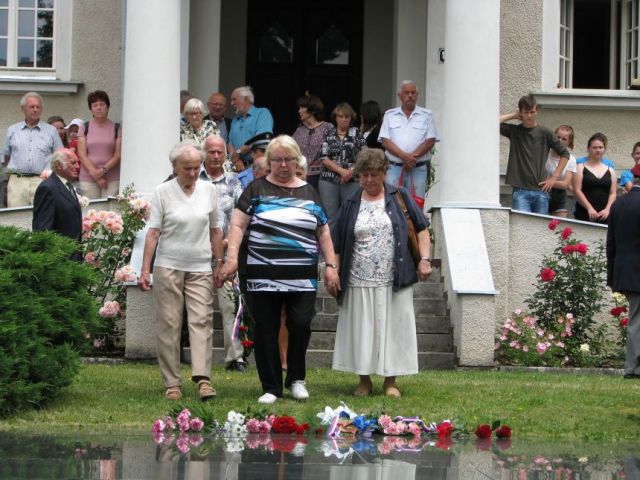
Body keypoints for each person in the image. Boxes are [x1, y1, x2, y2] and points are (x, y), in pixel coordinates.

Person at [219, 135, 339, 405]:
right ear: (268, 161)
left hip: (301, 275)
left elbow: (323, 231)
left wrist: (331, 266)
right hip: (262, 274)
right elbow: (237, 225)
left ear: (297, 161)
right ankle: (271, 387)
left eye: (289, 159)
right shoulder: (256, 189)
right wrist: (233, 258)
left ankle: (296, 379)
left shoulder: (310, 191)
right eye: (278, 159)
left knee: (300, 323)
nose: (283, 165)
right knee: (266, 329)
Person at [331, 148, 431, 398]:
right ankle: (364, 380)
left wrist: (425, 260)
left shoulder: (400, 196)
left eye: (374, 174)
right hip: (357, 278)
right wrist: (332, 270)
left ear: (384, 173)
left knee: (393, 330)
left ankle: (390, 382)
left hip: (394, 277)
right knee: (362, 330)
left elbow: (421, 229)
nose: (369, 180)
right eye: (364, 175)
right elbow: (337, 242)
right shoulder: (351, 202)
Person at [139, 141, 224, 402]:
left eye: (197, 168)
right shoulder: (162, 191)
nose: (192, 173)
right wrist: (145, 269)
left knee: (201, 321)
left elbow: (215, 230)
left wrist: (219, 263)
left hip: (200, 265)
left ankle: (203, 379)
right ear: (174, 167)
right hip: (168, 265)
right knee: (170, 323)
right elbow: (153, 233)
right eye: (187, 168)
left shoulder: (209, 190)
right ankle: (172, 382)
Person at [201, 135, 248, 372]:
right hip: (197, 254)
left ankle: (234, 357)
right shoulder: (192, 179)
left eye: (220, 152)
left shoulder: (233, 182)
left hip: (227, 254)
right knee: (200, 308)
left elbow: (243, 216)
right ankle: (201, 356)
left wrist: (229, 245)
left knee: (230, 305)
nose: (216, 156)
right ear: (204, 153)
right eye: (212, 152)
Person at [499, 94, 570, 214]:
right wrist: (514, 115)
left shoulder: (545, 132)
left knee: (540, 230)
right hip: (520, 190)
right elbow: (491, 122)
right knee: (522, 228)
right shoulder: (514, 131)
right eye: (526, 112)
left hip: (541, 191)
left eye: (532, 111)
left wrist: (554, 178)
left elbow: (565, 154)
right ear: (521, 112)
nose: (530, 116)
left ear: (537, 111)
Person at [379, 81, 439, 201]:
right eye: (406, 93)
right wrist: (406, 157)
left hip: (418, 169)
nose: (410, 95)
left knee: (416, 205)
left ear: (417, 95)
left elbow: (430, 140)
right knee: (393, 203)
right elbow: (385, 141)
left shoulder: (426, 115)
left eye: (413, 93)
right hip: (394, 169)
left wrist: (411, 159)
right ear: (400, 96)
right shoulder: (390, 115)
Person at [606, 163, 640, 379]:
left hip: (624, 271)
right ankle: (633, 368)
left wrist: (611, 276)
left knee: (636, 318)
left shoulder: (619, 204)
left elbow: (611, 243)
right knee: (637, 321)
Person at [3, 91, 63, 207]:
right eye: (32, 107)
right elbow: (5, 156)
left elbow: (60, 156)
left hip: (43, 181)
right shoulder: (12, 130)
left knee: (42, 218)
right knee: (16, 218)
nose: (35, 110)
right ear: (23, 109)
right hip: (17, 182)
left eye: (38, 107)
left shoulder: (51, 131)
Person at [318, 102, 366, 230]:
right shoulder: (328, 132)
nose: (343, 119)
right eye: (340, 116)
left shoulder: (356, 133)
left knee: (350, 216)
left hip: (352, 180)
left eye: (347, 116)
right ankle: (331, 249)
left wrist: (350, 171)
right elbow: (323, 157)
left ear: (351, 118)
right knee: (330, 217)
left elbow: (364, 155)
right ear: (336, 117)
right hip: (329, 180)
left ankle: (347, 249)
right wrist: (341, 171)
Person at [32, 148, 82, 261]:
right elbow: (42, 229)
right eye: (73, 163)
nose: (78, 167)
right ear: (59, 165)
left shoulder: (68, 185)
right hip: (59, 260)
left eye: (78, 163)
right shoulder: (47, 188)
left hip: (73, 257)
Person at [77, 90, 122, 199]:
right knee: (90, 211)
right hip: (88, 177)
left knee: (110, 212)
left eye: (102, 104)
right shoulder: (84, 127)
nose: (98, 107)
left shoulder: (117, 128)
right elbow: (82, 155)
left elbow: (118, 155)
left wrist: (102, 171)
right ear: (90, 109)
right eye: (95, 105)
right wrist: (97, 177)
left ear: (107, 107)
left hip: (112, 178)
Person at [573, 132, 617, 224]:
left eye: (600, 147)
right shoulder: (580, 167)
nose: (598, 150)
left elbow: (613, 194)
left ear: (604, 149)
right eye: (594, 147)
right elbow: (577, 190)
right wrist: (589, 208)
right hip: (585, 213)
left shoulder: (611, 171)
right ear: (588, 149)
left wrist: (608, 210)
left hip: (604, 215)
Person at [228, 85, 274, 168]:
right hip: (238, 167)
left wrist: (238, 152)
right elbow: (230, 142)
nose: (232, 103)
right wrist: (236, 160)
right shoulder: (235, 120)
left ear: (245, 99)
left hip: (257, 167)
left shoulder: (262, 113)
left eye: (234, 99)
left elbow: (260, 139)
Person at [291, 94, 331, 188]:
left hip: (322, 178)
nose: (299, 111)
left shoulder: (328, 128)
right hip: (302, 176)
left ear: (312, 110)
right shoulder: (299, 130)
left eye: (302, 108)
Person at [546, 125, 577, 217]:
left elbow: (565, 184)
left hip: (559, 195)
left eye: (564, 139)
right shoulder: (544, 153)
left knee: (560, 227)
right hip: (541, 193)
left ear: (569, 142)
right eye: (557, 137)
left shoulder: (571, 159)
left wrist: (548, 181)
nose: (559, 141)